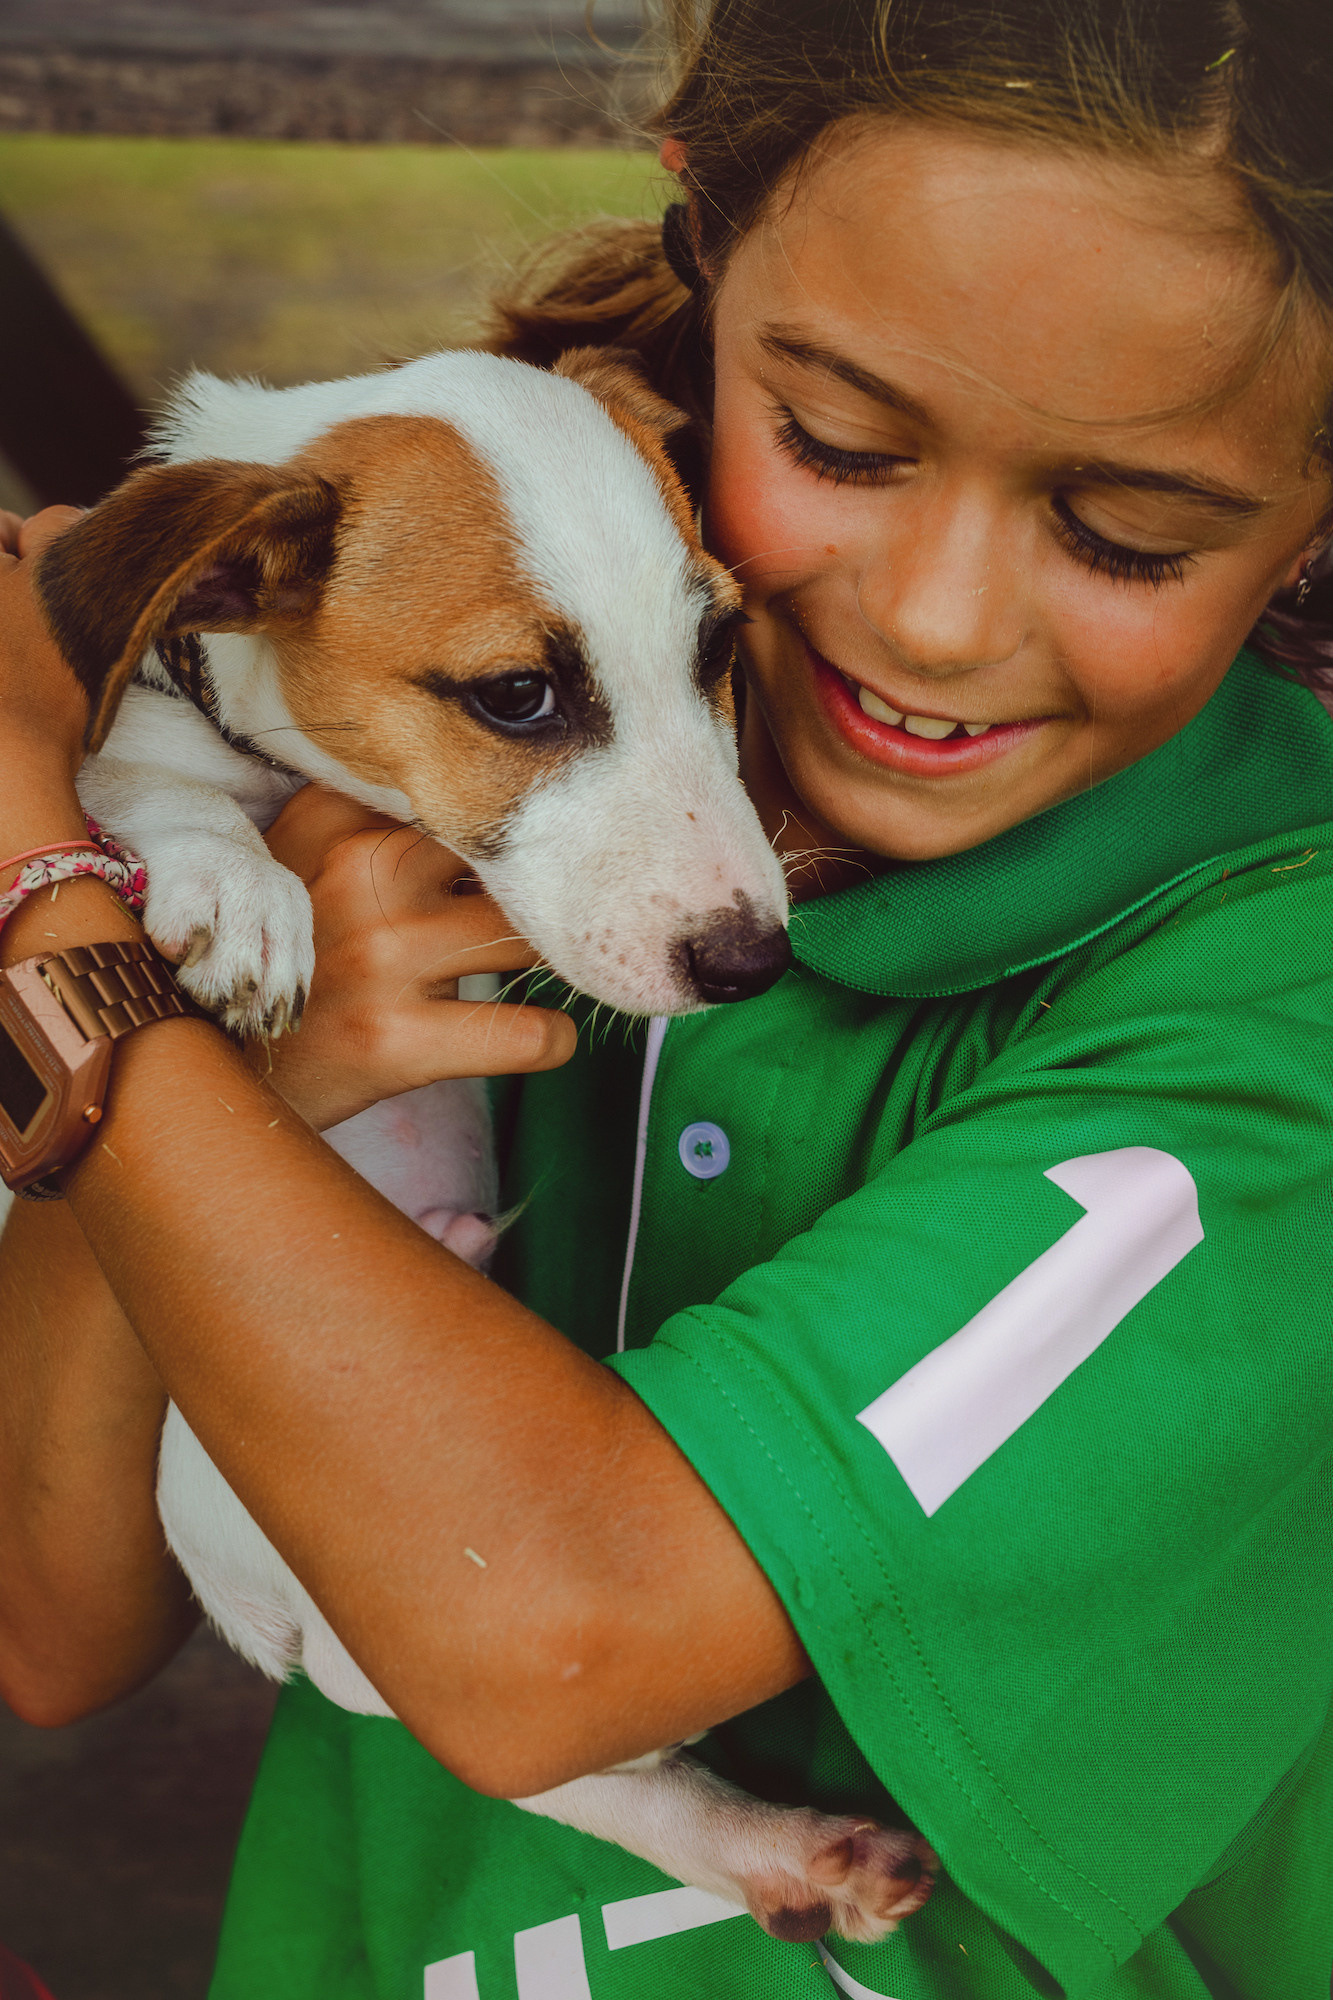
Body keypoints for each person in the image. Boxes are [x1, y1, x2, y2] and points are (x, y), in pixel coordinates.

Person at [2, 1, 1332, 1993]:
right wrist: (248, 1086)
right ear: (702, 236)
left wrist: (45, 885)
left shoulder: (1276, 1022)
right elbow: (50, 1620)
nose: (933, 619)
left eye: (1122, 530)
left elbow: (547, 1639)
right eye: (841, 444)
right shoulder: (416, 776)